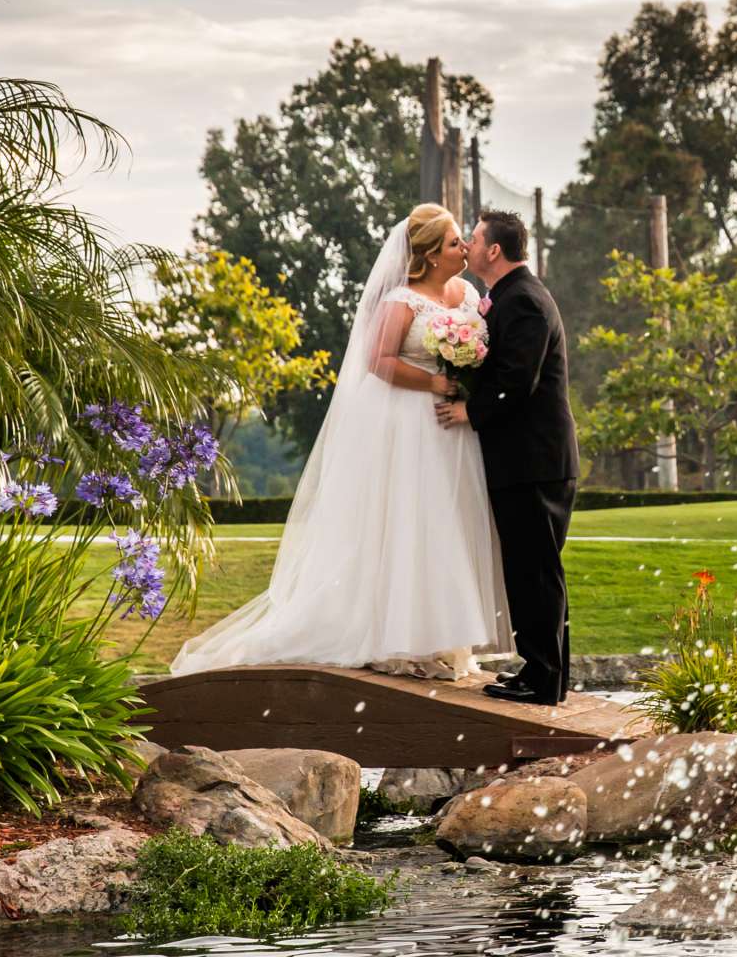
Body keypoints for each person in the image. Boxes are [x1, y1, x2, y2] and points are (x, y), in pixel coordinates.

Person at [171, 204, 506, 679]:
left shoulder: (468, 293)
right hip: (408, 423)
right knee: (407, 521)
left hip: (453, 429)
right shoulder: (402, 301)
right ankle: (397, 635)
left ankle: (445, 639)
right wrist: (434, 383)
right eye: (454, 242)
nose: (464, 248)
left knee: (446, 523)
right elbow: (380, 360)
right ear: (431, 254)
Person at [436, 208, 580, 705]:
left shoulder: (524, 302)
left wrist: (467, 411)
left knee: (536, 571)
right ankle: (543, 673)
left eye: (473, 239)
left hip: (535, 462)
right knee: (530, 569)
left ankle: (544, 679)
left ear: (493, 250)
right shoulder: (510, 297)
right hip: (527, 461)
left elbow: (518, 384)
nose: (469, 247)